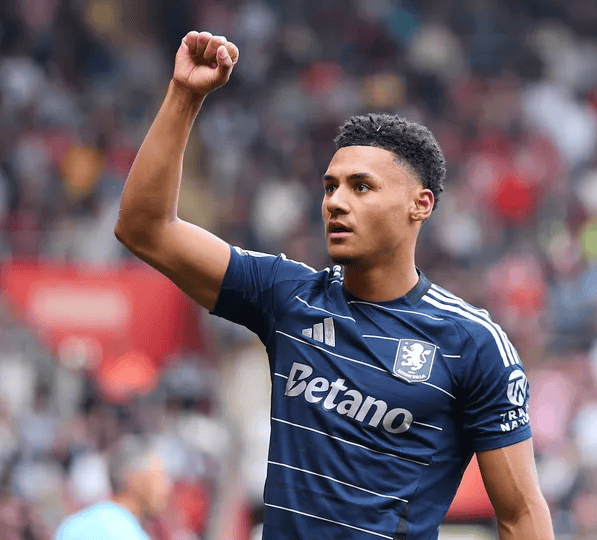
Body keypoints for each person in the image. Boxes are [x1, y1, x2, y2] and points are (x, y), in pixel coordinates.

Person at [115, 31, 554, 539]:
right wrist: (185, 95)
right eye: (330, 186)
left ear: (420, 205)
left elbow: (521, 516)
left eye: (361, 186)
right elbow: (144, 229)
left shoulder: (473, 343)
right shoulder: (286, 296)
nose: (335, 202)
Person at [54, 436, 171, 540]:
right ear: (134, 480)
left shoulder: (73, 524)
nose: (167, 486)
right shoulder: (126, 534)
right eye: (160, 477)